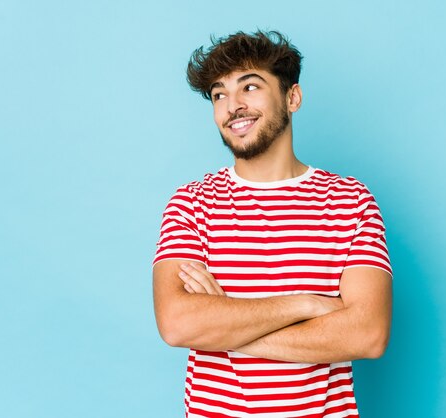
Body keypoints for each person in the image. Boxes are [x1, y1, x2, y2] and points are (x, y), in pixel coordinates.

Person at [152, 30, 392, 418]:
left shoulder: (350, 200)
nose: (233, 106)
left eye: (250, 86)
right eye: (219, 94)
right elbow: (178, 325)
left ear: (292, 97)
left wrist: (225, 321)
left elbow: (367, 334)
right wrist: (308, 305)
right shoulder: (192, 203)